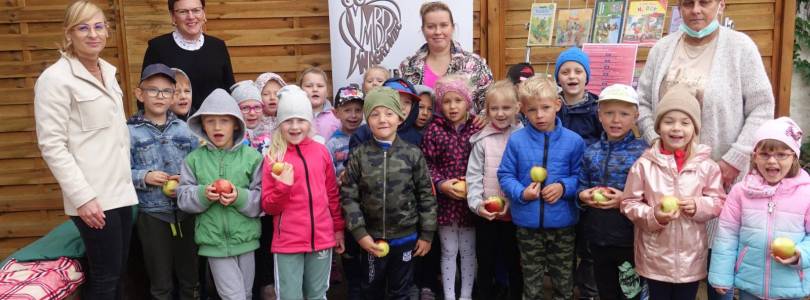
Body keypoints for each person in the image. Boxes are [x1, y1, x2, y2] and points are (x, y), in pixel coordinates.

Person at [34, 2, 137, 298]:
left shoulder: (108, 71)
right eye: (83, 28)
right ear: (69, 34)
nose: (93, 34)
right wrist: (83, 197)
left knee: (117, 275)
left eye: (98, 26)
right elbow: (52, 145)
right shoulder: (55, 80)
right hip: (93, 197)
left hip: (121, 191)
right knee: (106, 278)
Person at [621, 86, 725, 300]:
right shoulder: (644, 165)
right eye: (669, 121)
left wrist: (698, 205)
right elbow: (629, 203)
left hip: (691, 259)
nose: (676, 128)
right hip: (654, 257)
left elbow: (718, 202)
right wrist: (653, 215)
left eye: (685, 122)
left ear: (695, 128)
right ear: (658, 127)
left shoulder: (707, 166)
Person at [341, 87, 438, 300]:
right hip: (371, 239)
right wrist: (360, 234)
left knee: (401, 290)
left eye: (389, 113)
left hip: (405, 237)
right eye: (375, 114)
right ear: (368, 119)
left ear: (400, 118)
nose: (382, 119)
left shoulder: (413, 154)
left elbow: (426, 195)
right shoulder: (359, 155)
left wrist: (427, 234)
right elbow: (348, 197)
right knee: (371, 289)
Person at [497, 76, 585, 300]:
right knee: (532, 281)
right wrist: (522, 193)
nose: (539, 115)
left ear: (557, 104)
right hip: (528, 225)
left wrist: (563, 187)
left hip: (563, 225)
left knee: (563, 281)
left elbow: (581, 177)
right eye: (532, 110)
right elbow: (505, 175)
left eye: (545, 108)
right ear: (523, 110)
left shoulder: (574, 141)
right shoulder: (517, 141)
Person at [709, 117, 810, 300]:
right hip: (750, 285)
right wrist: (721, 275)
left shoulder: (807, 193)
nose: (772, 161)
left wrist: (800, 254)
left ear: (794, 156)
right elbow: (727, 235)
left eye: (781, 154)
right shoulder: (741, 192)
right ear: (755, 157)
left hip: (790, 286)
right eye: (765, 154)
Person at [177, 89, 263, 300]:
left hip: (246, 239)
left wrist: (239, 197)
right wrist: (203, 194)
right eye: (210, 121)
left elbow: (262, 200)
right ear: (202, 125)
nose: (217, 127)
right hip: (213, 243)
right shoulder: (193, 160)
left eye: (224, 121)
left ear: (235, 124)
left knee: (245, 294)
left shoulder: (253, 158)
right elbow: (183, 198)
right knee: (234, 297)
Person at [261, 85, 345, 300]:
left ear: (310, 122)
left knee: (317, 295)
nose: (295, 126)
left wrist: (337, 230)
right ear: (280, 123)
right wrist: (283, 187)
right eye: (288, 120)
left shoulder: (321, 151)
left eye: (301, 120)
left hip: (322, 239)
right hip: (288, 243)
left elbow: (332, 194)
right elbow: (268, 206)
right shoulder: (274, 157)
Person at [128, 63, 200, 300]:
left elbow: (197, 166)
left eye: (166, 91)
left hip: (185, 212)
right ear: (140, 94)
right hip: (153, 215)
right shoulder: (129, 132)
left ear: (173, 96)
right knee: (160, 283)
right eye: (152, 90)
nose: (160, 96)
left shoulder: (185, 129)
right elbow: (120, 171)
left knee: (191, 280)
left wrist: (185, 181)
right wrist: (144, 176)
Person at [578, 84, 647, 300]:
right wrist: (584, 196)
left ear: (636, 117)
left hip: (629, 240)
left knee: (632, 293)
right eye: (609, 113)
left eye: (624, 114)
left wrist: (623, 201)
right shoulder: (591, 152)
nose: (616, 120)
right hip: (598, 238)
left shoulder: (643, 152)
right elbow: (581, 185)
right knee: (606, 291)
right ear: (599, 116)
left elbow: (650, 196)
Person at [420, 75, 481, 300]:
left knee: (468, 252)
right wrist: (441, 184)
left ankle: (465, 295)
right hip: (444, 203)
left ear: (467, 102)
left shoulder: (477, 128)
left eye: (458, 100)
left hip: (470, 202)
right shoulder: (433, 130)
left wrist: (473, 186)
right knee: (448, 251)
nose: (452, 106)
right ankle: (449, 296)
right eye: (446, 101)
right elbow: (427, 163)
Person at [466, 80, 524, 300]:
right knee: (486, 260)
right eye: (494, 108)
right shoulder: (482, 141)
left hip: (515, 214)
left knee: (513, 261)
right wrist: (477, 205)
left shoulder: (523, 137)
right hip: (486, 215)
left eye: (506, 108)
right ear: (486, 110)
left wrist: (515, 199)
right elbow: (473, 176)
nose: (500, 114)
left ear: (517, 107)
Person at [142, 0, 235, 115]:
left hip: (214, 126)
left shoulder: (218, 46)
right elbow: (146, 95)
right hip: (173, 128)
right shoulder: (158, 48)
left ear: (203, 13)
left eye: (196, 10)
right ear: (173, 16)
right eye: (183, 12)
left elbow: (229, 90)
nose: (191, 17)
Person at [399, 1, 493, 113]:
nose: (438, 32)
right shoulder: (408, 66)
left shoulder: (474, 63)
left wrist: (482, 118)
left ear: (452, 28)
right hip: (421, 131)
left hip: (466, 130)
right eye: (431, 27)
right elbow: (401, 105)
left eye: (443, 25)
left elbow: (490, 102)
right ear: (423, 30)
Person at [349, 78, 422, 148]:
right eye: (396, 100)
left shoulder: (416, 138)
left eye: (407, 102)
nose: (402, 107)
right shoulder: (362, 135)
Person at [327, 85, 364, 179]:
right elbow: (328, 173)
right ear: (336, 113)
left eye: (358, 110)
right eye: (347, 110)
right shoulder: (332, 144)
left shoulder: (368, 137)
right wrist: (337, 181)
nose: (353, 115)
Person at [299, 67, 340, 141]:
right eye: (309, 86)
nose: (315, 89)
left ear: (327, 91)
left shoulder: (336, 117)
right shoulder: (296, 117)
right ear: (300, 90)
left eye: (320, 86)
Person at [230, 80, 270, 151]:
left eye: (257, 107)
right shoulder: (230, 140)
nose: (252, 113)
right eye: (245, 108)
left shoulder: (271, 137)